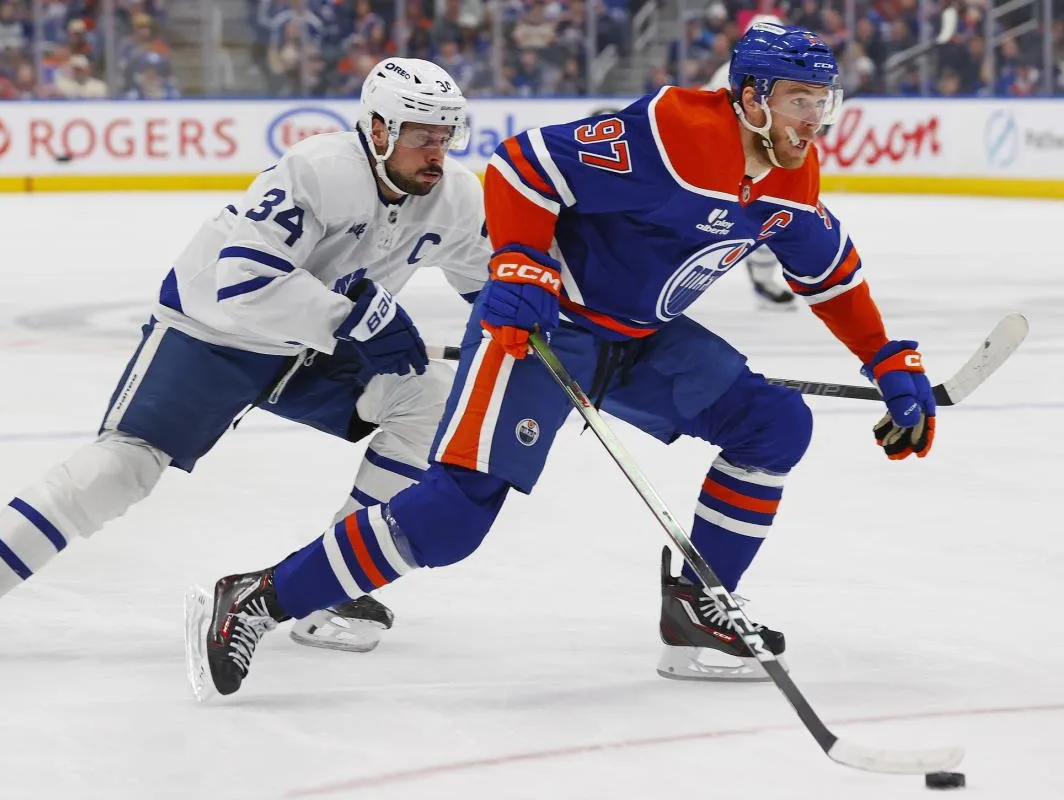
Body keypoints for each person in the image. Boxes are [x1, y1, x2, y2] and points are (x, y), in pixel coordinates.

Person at [188, 22, 938, 697]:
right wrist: (517, 262)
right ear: (748, 97)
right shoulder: (672, 133)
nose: (815, 119)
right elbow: (523, 167)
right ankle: (259, 596)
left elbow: (828, 271)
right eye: (798, 99)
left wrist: (886, 359)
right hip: (549, 324)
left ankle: (693, 613)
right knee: (451, 519)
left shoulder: (791, 173)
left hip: (644, 340)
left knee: (773, 425)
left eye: (822, 101)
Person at [0, 58, 488, 666]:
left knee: (430, 399)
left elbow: (490, 284)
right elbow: (244, 278)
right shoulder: (318, 170)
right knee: (117, 471)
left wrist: (530, 334)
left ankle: (329, 593)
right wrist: (358, 321)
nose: (436, 151)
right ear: (379, 128)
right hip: (216, 331)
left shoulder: (456, 197)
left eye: (445, 136)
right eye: (421, 134)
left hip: (311, 349)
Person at [704, 14, 796, 310]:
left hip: (758, 165)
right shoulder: (728, 74)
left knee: (775, 219)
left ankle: (763, 280)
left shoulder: (783, 72)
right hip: (729, 166)